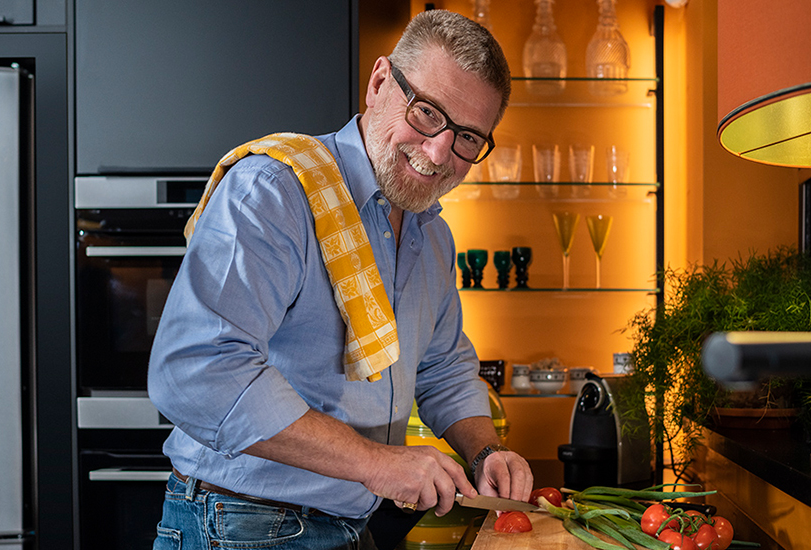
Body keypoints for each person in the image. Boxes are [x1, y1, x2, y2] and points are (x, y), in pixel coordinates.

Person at [147, 9, 533, 550]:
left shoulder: (432, 237)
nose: (440, 151)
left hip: (349, 527)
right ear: (379, 83)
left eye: (468, 137)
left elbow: (442, 366)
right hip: (237, 524)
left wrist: (486, 451)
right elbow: (197, 369)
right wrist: (376, 464)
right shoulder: (275, 191)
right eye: (427, 113)